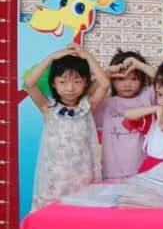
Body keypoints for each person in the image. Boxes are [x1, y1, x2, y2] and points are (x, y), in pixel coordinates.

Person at [24, 44, 110, 209]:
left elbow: (105, 84)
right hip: (55, 180)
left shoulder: (87, 107)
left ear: (85, 83)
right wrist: (51, 58)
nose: (70, 88)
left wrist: (87, 57)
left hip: (82, 177)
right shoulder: (48, 108)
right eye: (63, 82)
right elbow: (29, 84)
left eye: (77, 81)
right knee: (53, 215)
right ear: (53, 83)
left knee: (80, 215)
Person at [96, 50, 157, 181]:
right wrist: (105, 74)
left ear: (142, 80)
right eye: (121, 79)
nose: (127, 84)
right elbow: (87, 99)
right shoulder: (106, 104)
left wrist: (139, 65)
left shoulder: (147, 97)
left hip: (143, 173)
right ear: (112, 80)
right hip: (112, 174)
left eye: (134, 78)